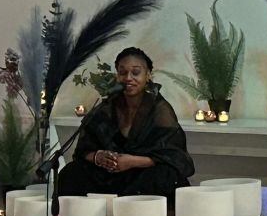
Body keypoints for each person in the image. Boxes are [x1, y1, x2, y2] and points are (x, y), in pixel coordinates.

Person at [55, 47, 195, 199]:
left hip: (141, 172)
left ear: (148, 75)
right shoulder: (108, 105)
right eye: (122, 72)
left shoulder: (159, 109)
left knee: (164, 176)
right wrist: (98, 156)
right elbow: (84, 150)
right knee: (71, 173)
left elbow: (175, 157)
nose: (128, 78)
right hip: (111, 175)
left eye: (135, 72)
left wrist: (131, 161)